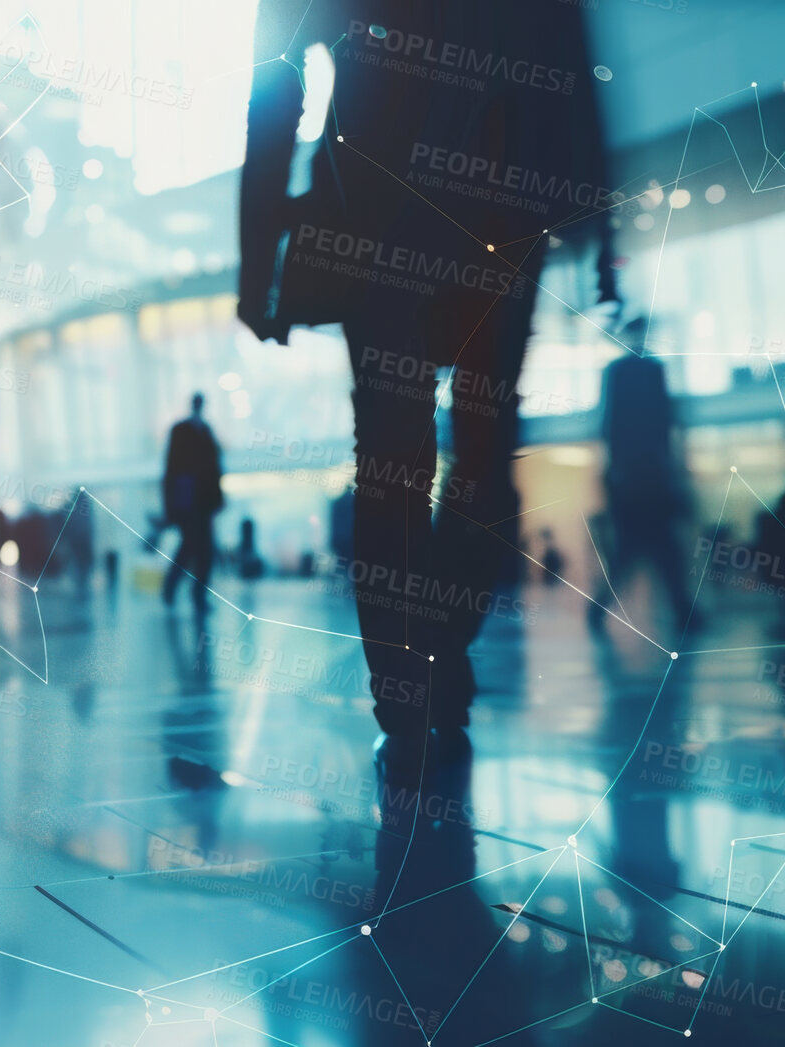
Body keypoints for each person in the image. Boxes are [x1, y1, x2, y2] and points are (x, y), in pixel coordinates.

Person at [238, 0, 615, 735]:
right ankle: (416, 665)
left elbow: (274, 81)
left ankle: (417, 663)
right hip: (456, 213)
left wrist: (260, 260)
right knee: (462, 447)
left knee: (408, 455)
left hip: (419, 213)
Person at [589, 331, 694, 633]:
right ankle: (683, 609)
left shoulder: (622, 373)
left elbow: (610, 428)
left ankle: (682, 608)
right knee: (661, 558)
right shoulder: (648, 373)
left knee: (634, 561)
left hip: (635, 491)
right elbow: (662, 427)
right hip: (647, 490)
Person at [161, 394, 224, 610]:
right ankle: (171, 588)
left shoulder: (205, 431)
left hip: (204, 503)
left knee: (204, 551)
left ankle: (196, 595)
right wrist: (171, 505)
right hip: (187, 503)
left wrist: (217, 498)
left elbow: (214, 469)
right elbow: (171, 469)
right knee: (189, 547)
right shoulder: (181, 431)